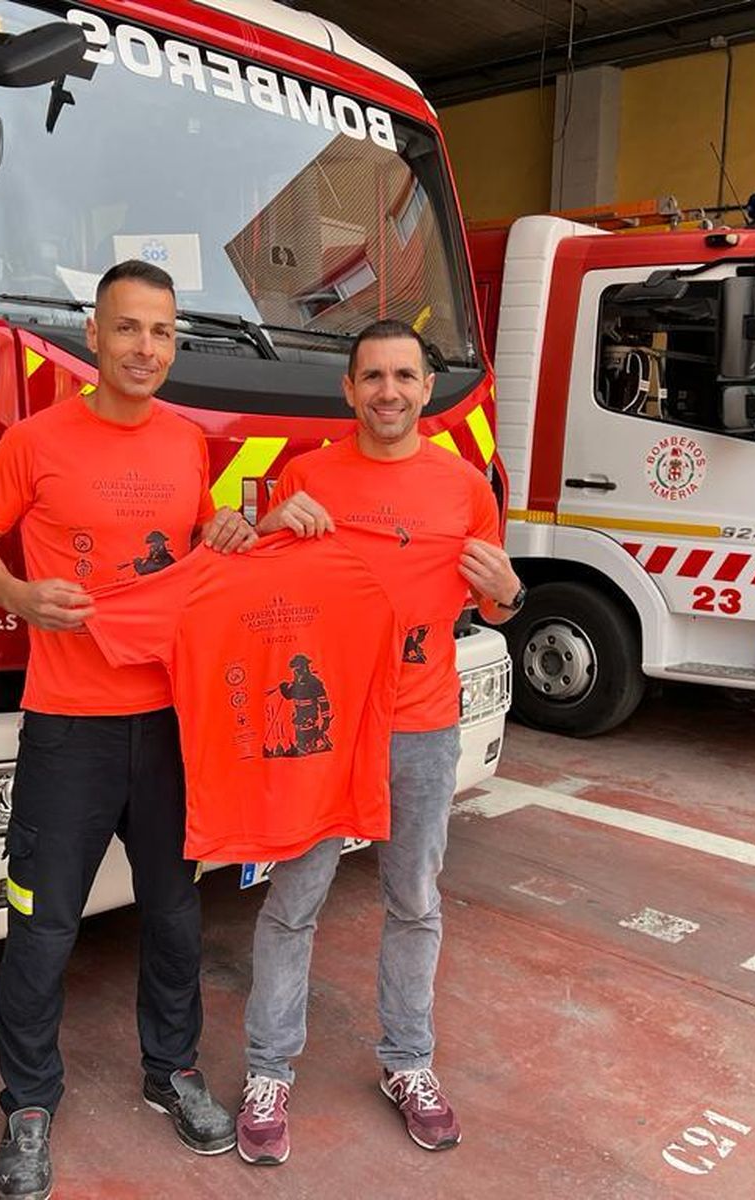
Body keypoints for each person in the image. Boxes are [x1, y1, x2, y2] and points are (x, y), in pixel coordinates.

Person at [0, 259, 256, 1200]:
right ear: (94, 335)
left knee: (172, 915)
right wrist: (20, 597)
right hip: (69, 729)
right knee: (43, 927)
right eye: (128, 329)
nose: (145, 348)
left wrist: (233, 534)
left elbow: (201, 554)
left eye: (162, 332)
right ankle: (30, 1104)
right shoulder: (37, 441)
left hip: (168, 724)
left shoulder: (188, 443)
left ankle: (174, 1073)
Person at [235, 320, 525, 1166]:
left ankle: (408, 1064)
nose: (388, 391)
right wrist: (261, 525)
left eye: (403, 376)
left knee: (415, 902)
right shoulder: (306, 475)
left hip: (423, 724)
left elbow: (497, 599)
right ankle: (267, 1073)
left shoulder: (465, 487)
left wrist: (512, 594)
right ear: (348, 390)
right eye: (372, 377)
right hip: (324, 729)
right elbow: (256, 595)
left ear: (426, 387)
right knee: (294, 902)